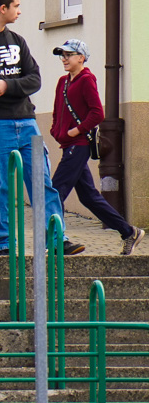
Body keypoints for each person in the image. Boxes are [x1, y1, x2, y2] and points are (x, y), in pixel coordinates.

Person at [0, 0, 83, 256]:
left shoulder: (18, 40)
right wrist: (14, 86)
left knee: (42, 183)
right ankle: (4, 243)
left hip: (26, 121)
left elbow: (35, 79)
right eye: (16, 6)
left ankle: (56, 239)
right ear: (3, 8)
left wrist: (8, 87)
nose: (19, 11)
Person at [50, 39, 144, 255]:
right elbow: (57, 111)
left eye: (68, 54)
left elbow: (97, 113)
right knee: (88, 197)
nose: (63, 59)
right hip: (68, 144)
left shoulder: (86, 80)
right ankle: (129, 232)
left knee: (55, 192)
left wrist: (76, 130)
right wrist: (56, 131)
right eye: (61, 55)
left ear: (81, 58)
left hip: (79, 145)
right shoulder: (63, 82)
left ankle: (56, 242)